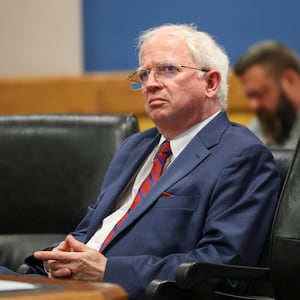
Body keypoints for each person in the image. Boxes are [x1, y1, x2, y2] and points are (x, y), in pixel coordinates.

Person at [0, 24, 281, 300]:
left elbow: (221, 266)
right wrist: (57, 258)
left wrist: (108, 271)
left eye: (167, 69)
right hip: (69, 287)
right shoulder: (135, 147)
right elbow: (90, 231)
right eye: (144, 74)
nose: (150, 84)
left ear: (210, 83)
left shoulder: (241, 155)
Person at [234, 40, 300, 148]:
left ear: (290, 79)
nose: (254, 105)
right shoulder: (255, 131)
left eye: (259, 94)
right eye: (250, 97)